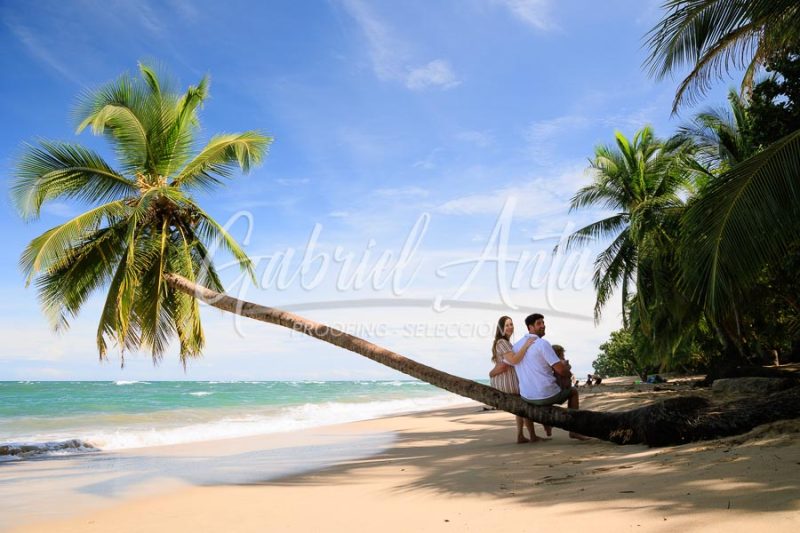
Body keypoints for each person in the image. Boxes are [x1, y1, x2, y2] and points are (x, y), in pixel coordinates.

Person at [506, 313, 590, 441]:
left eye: (543, 323)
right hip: (546, 396)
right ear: (530, 327)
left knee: (530, 394)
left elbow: (507, 364)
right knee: (573, 392)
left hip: (527, 396)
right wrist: (569, 373)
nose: (543, 326)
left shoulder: (516, 346)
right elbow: (560, 370)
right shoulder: (542, 343)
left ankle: (536, 432)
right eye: (539, 323)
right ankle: (574, 431)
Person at [488, 316, 543, 443]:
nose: (510, 327)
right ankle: (532, 436)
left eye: (511, 324)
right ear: (501, 328)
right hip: (507, 382)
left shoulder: (506, 343)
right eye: (506, 325)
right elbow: (513, 360)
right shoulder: (502, 342)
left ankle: (521, 436)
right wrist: (526, 345)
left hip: (507, 380)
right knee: (526, 402)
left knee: (520, 407)